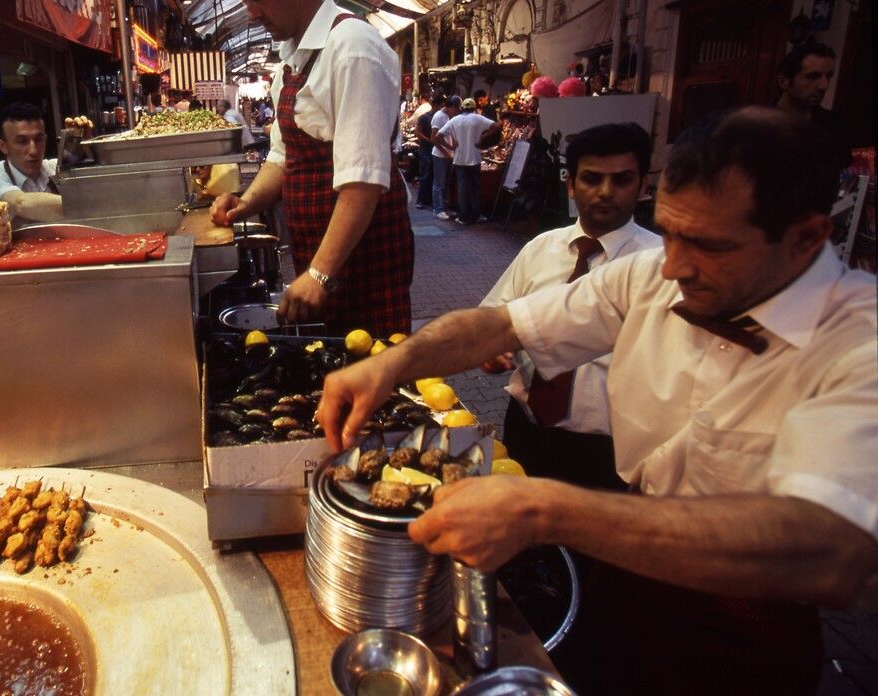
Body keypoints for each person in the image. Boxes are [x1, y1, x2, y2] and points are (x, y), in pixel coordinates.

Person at [317, 107, 878, 694]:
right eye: (671, 232)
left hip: (746, 626)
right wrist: (393, 364)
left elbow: (828, 548)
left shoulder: (857, 340)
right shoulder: (650, 276)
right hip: (630, 571)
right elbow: (501, 326)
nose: (676, 264)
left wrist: (543, 510)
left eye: (709, 245)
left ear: (806, 238)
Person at [209, 0, 414, 336]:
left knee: (375, 382)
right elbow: (284, 158)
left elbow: (362, 181)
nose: (251, 13)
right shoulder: (291, 62)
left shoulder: (352, 47)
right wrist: (245, 204)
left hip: (363, 267)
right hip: (321, 261)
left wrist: (320, 273)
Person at [482, 122, 659, 490]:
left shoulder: (663, 265)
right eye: (592, 179)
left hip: (610, 453)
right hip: (526, 431)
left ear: (643, 186)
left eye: (622, 180)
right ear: (570, 183)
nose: (606, 192)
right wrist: (494, 350)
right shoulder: (540, 249)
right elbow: (492, 320)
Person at [0, 102, 63, 222]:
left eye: (39, 139)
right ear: (2, 146)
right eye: (22, 141)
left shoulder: (52, 168)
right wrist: (83, 204)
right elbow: (20, 203)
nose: (33, 150)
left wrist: (82, 141)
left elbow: (77, 162)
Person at [775, 40, 851, 172]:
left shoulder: (834, 126)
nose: (824, 85)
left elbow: (841, 174)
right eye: (813, 76)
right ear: (784, 81)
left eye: (828, 76)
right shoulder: (755, 122)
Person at [434, 97, 499, 225]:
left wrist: (450, 146)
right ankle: (476, 215)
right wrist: (482, 139)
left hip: (459, 160)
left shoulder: (454, 120)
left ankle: (463, 216)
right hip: (474, 159)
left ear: (462, 108)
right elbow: (496, 127)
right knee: (475, 188)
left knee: (462, 189)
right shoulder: (477, 118)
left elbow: (437, 136)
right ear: (474, 108)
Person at [429, 95, 460, 220]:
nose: (456, 112)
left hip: (446, 154)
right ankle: (438, 209)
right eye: (456, 109)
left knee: (445, 183)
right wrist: (447, 150)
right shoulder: (439, 117)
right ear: (451, 106)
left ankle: (443, 207)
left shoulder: (446, 116)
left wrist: (451, 147)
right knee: (439, 183)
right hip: (440, 155)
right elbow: (434, 138)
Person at [414, 93, 445, 210]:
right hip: (426, 150)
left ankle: (429, 200)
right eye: (441, 105)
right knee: (425, 174)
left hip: (435, 149)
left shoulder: (440, 117)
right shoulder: (424, 117)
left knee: (433, 175)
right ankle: (420, 200)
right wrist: (429, 140)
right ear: (436, 105)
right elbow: (417, 132)